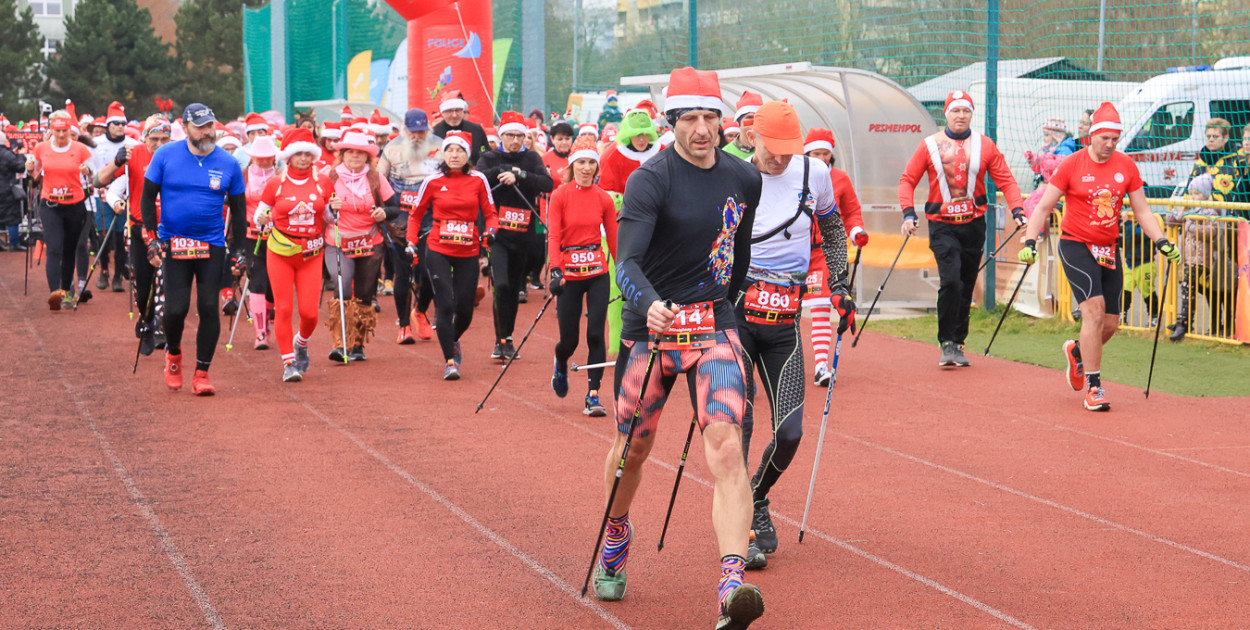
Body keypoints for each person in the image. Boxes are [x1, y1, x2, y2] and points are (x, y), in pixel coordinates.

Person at [595, 66, 765, 630]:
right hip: (652, 331)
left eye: (709, 117)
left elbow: (738, 253)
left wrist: (724, 308)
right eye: (689, 118)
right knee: (633, 449)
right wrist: (649, 304)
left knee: (727, 448)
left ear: (723, 121)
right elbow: (627, 261)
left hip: (714, 326)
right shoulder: (651, 179)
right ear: (671, 122)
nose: (701, 129)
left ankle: (731, 586)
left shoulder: (744, 177)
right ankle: (617, 531)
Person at [735, 102, 854, 572]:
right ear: (752, 137)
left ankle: (757, 495)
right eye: (773, 149)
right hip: (736, 317)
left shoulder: (814, 174)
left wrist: (840, 284)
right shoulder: (733, 176)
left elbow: (833, 227)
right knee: (740, 425)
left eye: (790, 149)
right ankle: (740, 529)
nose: (781, 158)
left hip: (784, 321)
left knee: (789, 433)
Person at [1019, 102, 1180, 412]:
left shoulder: (1126, 166)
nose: (1109, 144)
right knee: (1093, 312)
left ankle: (1077, 353)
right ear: (1091, 135)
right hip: (1076, 244)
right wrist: (1030, 240)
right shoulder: (1071, 164)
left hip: (1109, 248)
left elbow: (1142, 211)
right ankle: (1094, 387)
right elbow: (1042, 207)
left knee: (1109, 324)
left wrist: (1160, 240)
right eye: (1104, 138)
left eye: (1115, 139)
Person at [899, 89, 1025, 366]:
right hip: (941, 226)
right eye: (955, 110)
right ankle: (946, 341)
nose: (961, 115)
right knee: (952, 281)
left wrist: (1018, 210)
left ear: (972, 114)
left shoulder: (985, 145)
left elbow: (1006, 180)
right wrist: (908, 213)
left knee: (966, 284)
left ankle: (958, 343)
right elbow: (907, 180)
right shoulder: (929, 145)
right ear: (946, 114)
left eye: (966, 110)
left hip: (973, 225)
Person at [140, 103, 248, 395]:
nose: (207, 132)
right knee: (176, 308)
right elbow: (147, 197)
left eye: (210, 125)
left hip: (211, 244)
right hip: (174, 241)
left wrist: (239, 251)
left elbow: (239, 212)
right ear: (186, 128)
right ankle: (174, 354)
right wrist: (152, 237)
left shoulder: (228, 163)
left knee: (209, 306)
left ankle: (202, 373)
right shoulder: (165, 155)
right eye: (200, 127)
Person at [405, 130, 498, 380]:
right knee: (445, 304)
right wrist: (411, 242)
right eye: (449, 150)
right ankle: (450, 361)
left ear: (467, 154)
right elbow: (415, 214)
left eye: (459, 150)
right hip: (439, 248)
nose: (454, 155)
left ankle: (453, 339)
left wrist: (491, 231)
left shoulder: (478, 179)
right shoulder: (433, 181)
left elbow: (491, 214)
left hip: (468, 250)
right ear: (443, 154)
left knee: (465, 310)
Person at [547, 135, 618, 415]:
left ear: (597, 167)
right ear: (572, 165)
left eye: (591, 162)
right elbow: (554, 235)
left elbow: (614, 240)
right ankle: (560, 361)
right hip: (569, 275)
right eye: (581, 162)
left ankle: (593, 395)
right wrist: (555, 269)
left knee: (596, 334)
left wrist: (626, 271)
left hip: (598, 272)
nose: (586, 168)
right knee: (570, 340)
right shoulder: (560, 195)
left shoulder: (604, 198)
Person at [476, 111, 554, 360]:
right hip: (497, 234)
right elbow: (478, 180)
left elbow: (548, 184)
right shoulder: (489, 157)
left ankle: (507, 338)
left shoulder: (531, 157)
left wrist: (520, 175)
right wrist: (503, 171)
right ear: (501, 136)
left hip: (523, 234)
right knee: (501, 286)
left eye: (520, 136)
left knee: (513, 288)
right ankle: (499, 339)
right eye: (510, 135)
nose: (515, 140)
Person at [253, 128, 329, 382]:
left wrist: (335, 210)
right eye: (299, 154)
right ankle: (288, 362)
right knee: (284, 309)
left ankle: (301, 342)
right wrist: (262, 218)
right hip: (280, 253)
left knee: (310, 313)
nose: (304, 158)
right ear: (289, 157)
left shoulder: (323, 182)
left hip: (312, 255)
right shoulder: (276, 183)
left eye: (308, 154)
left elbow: (330, 217)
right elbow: (260, 214)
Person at [323, 130, 400, 362]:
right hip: (338, 241)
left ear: (368, 156)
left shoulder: (376, 178)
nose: (355, 156)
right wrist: (330, 208)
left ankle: (357, 343)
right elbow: (317, 207)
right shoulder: (329, 177)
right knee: (343, 286)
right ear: (342, 155)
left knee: (365, 293)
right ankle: (341, 343)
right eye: (350, 152)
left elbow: (395, 209)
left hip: (370, 241)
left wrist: (383, 212)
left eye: (360, 152)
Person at [98, 116, 173, 355]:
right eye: (154, 139)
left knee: (169, 282)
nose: (159, 144)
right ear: (145, 138)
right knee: (143, 286)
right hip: (140, 228)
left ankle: (163, 329)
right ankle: (147, 318)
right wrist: (117, 161)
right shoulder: (135, 154)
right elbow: (99, 180)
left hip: (171, 228)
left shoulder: (179, 155)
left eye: (164, 139)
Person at [802, 127, 867, 386]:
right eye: (815, 153)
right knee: (786, 311)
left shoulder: (840, 178)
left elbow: (851, 212)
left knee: (820, 307)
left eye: (825, 153)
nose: (821, 158)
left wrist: (857, 231)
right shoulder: (795, 175)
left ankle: (821, 366)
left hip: (823, 253)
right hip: (792, 251)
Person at [379, 108, 439, 344]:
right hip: (400, 220)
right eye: (413, 131)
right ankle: (404, 325)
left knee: (430, 271)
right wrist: (383, 212)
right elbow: (379, 181)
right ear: (405, 129)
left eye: (421, 131)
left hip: (431, 218)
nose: (417, 136)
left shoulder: (441, 146)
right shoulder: (391, 148)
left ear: (428, 129)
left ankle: (420, 310)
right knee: (403, 272)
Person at [27, 109, 95, 310]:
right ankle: (54, 293)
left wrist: (88, 171)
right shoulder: (41, 148)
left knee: (69, 249)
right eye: (57, 131)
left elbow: (95, 173)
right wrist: (30, 169)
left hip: (75, 205)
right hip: (51, 205)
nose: (62, 135)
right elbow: (34, 174)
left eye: (65, 130)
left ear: (69, 129)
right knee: (54, 247)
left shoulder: (80, 149)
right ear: (51, 130)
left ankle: (66, 291)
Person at [1165, 173, 1236, 341]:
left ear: (1205, 195)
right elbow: (1170, 221)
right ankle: (1183, 320)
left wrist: (1191, 226)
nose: (1194, 197)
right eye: (1192, 194)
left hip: (1201, 259)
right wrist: (1176, 213)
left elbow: (1211, 232)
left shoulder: (1209, 211)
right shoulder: (1190, 210)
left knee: (1188, 286)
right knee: (1187, 287)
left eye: (1197, 194)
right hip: (1188, 258)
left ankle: (1184, 323)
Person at [89, 101, 137, 292]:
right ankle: (103, 271)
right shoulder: (97, 143)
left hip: (124, 195)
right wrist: (98, 183)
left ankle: (117, 276)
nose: (120, 127)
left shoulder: (133, 144)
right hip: (101, 194)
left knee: (120, 238)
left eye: (123, 124)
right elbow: (93, 168)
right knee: (104, 237)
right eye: (116, 123)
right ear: (108, 125)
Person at [241, 135, 280, 349]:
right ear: (252, 157)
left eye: (267, 157)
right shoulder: (244, 175)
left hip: (278, 236)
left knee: (273, 286)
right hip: (252, 236)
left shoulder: (281, 175)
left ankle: (268, 313)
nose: (264, 161)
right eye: (259, 157)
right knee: (256, 281)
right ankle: (260, 332)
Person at [597, 108, 660, 196]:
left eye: (645, 134)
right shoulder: (613, 156)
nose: (641, 139)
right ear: (628, 135)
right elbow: (604, 190)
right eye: (637, 135)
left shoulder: (662, 152)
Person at [431, 90, 490, 164]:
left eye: (458, 110)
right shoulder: (434, 133)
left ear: (463, 111)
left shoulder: (476, 130)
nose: (454, 115)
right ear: (442, 113)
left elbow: (487, 153)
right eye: (449, 111)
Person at [1188, 118, 1239, 202]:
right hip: (1200, 210)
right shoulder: (1199, 164)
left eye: (1215, 136)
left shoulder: (1237, 161)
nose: (1211, 139)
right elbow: (1188, 192)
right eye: (1208, 136)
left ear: (1225, 138)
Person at [0, 130, 26, 252]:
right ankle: (14, 243)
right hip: (7, 189)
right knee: (12, 217)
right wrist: (21, 156)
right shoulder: (7, 154)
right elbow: (20, 167)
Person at [722, 91, 762, 160]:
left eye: (757, 117)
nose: (754, 121)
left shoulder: (766, 150)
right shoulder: (726, 153)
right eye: (749, 117)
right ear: (738, 123)